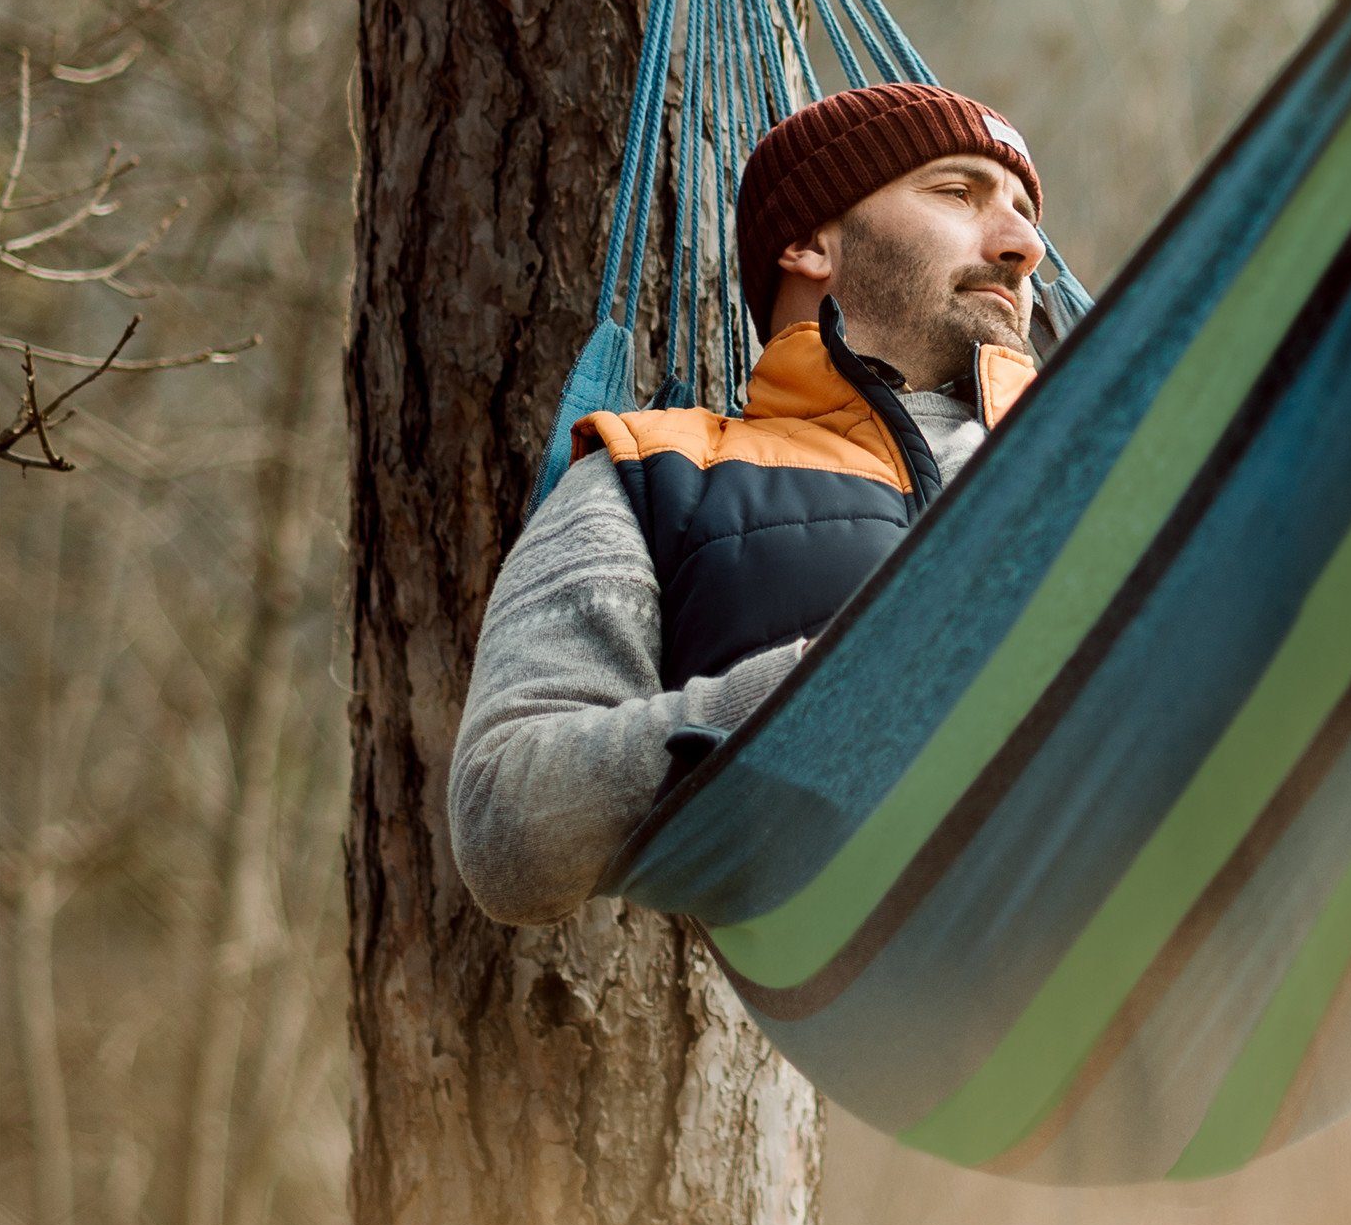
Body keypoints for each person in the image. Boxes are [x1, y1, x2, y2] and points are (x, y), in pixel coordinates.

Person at [449, 82, 1048, 925]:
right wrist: (825, 691)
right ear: (809, 242)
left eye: (1025, 212)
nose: (1024, 244)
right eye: (959, 193)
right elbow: (503, 819)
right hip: (889, 988)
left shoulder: (1090, 466)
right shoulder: (659, 476)